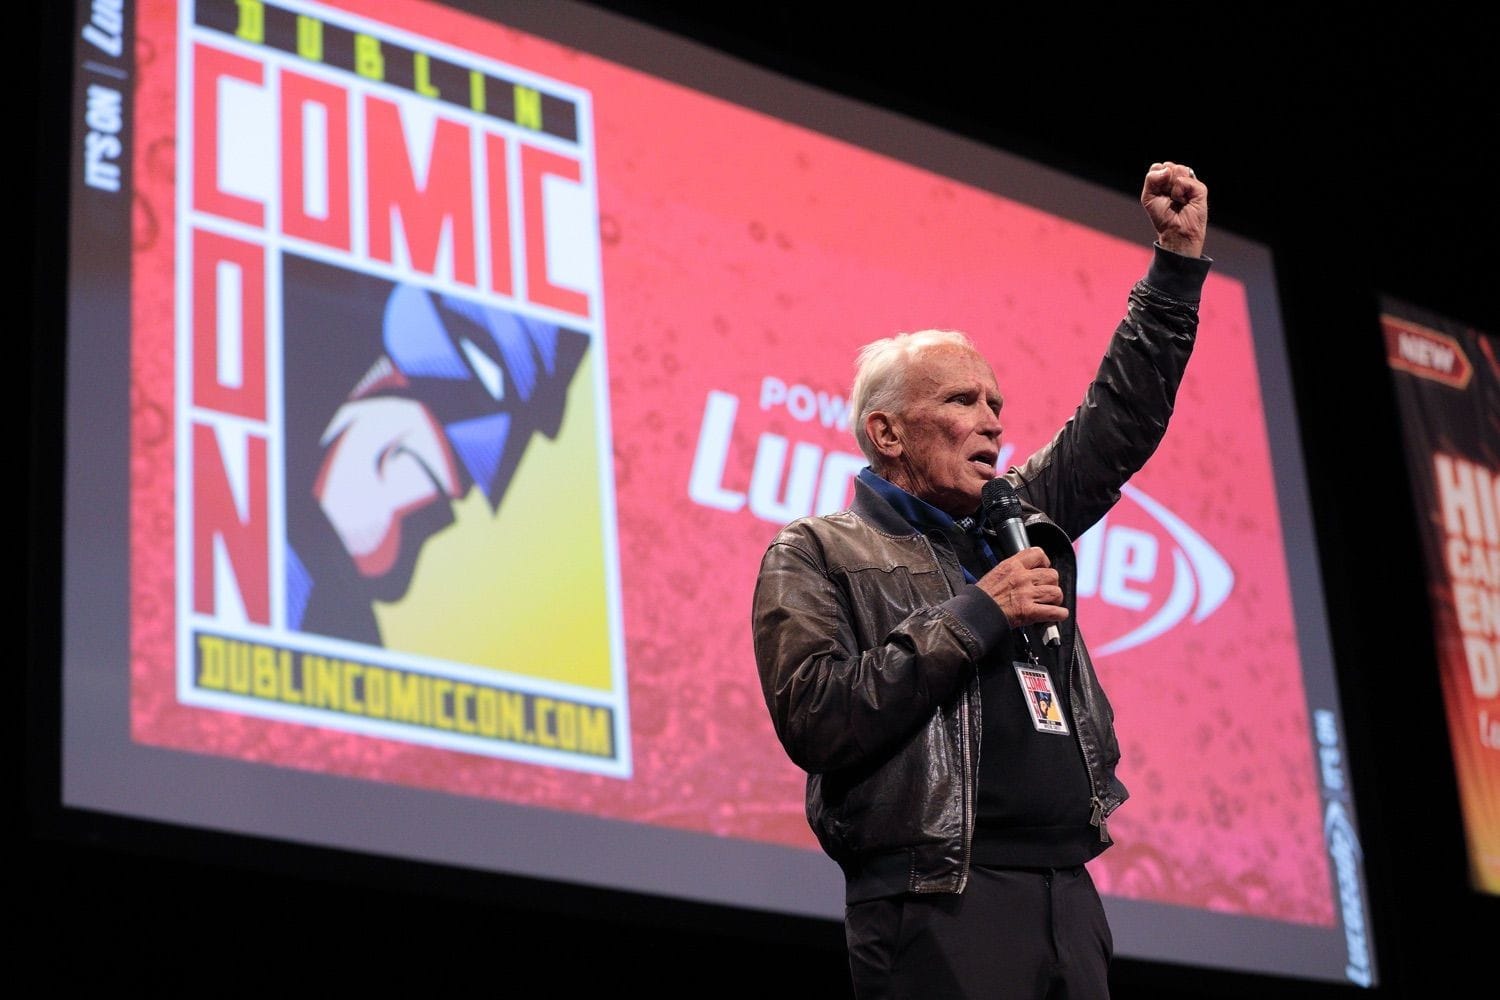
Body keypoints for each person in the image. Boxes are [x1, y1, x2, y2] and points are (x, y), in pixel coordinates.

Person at [751, 161, 1210, 999]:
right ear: (886, 431)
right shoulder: (817, 551)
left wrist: (1174, 272)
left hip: (1068, 899)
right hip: (936, 902)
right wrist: (975, 613)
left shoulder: (1015, 516)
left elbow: (1119, 421)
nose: (993, 418)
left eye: (996, 400)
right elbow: (818, 719)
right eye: (963, 400)